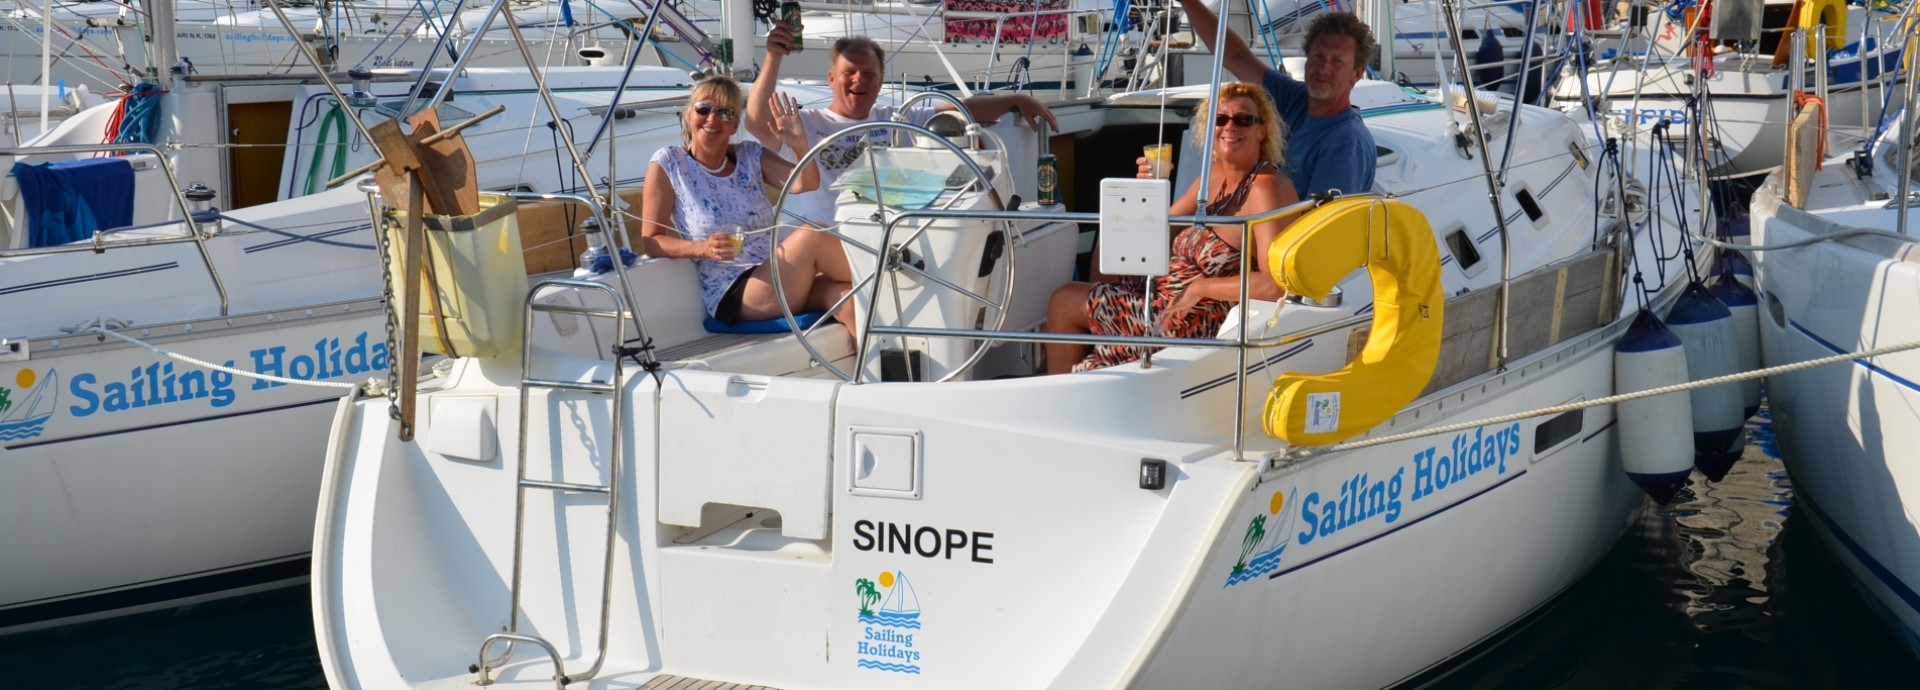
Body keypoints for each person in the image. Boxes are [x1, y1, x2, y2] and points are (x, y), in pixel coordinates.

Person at [1044, 82, 1299, 373]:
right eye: (1220, 119)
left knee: (1064, 301)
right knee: (1097, 270)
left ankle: (1059, 389)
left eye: (1243, 120)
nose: (1230, 127)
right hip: (1160, 300)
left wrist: (1198, 289)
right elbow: (1157, 233)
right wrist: (1150, 191)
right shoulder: (1212, 178)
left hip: (1190, 320)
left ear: (1262, 131)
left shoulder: (1267, 187)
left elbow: (1274, 284)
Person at [745, 28, 1062, 226]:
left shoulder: (897, 119)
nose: (859, 80)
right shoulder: (809, 125)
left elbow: (960, 109)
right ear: (831, 79)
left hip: (892, 241)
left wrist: (1017, 100)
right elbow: (757, 124)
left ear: (881, 82)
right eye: (849, 72)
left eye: (869, 74)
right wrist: (774, 56)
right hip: (836, 243)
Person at [640, 75, 859, 331]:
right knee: (813, 235)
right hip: (735, 291)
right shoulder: (669, 162)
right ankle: (889, 275)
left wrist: (800, 145)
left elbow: (804, 183)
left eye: (724, 113)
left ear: (734, 125)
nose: (712, 119)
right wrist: (703, 248)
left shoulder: (749, 154)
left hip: (780, 275)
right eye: (704, 109)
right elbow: (651, 241)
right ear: (688, 115)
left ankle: (876, 371)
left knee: (851, 301)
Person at [1165, 1, 1377, 199]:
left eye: (1337, 62)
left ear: (1356, 74)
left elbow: (1323, 227)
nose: (1324, 69)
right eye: (1318, 57)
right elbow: (1236, 57)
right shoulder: (1294, 98)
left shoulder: (1347, 143)